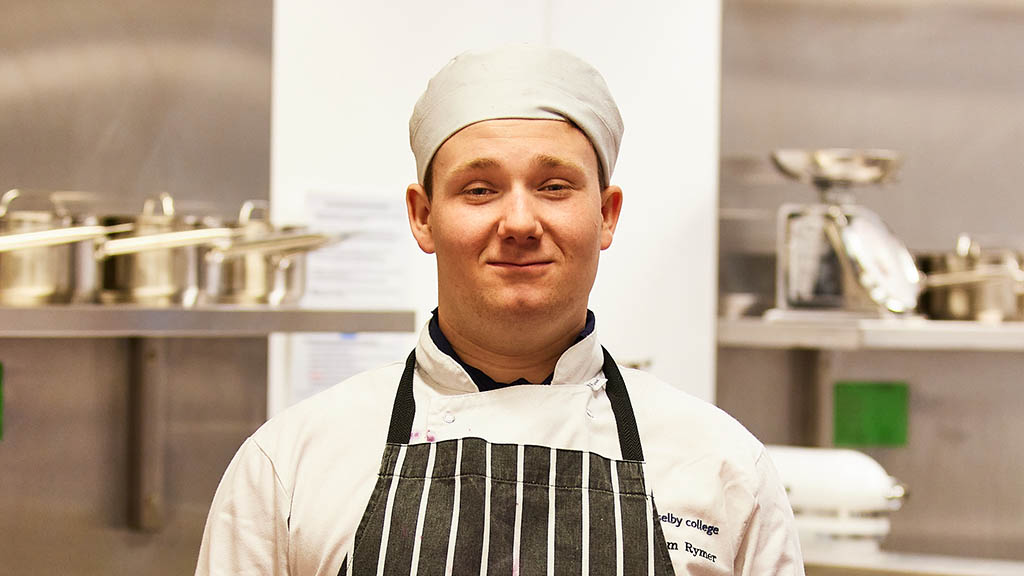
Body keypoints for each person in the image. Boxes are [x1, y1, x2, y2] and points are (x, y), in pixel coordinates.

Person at [195, 44, 804, 576]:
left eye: (554, 186)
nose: (518, 222)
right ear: (424, 215)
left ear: (607, 214)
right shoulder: (289, 466)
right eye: (479, 189)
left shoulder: (724, 468)